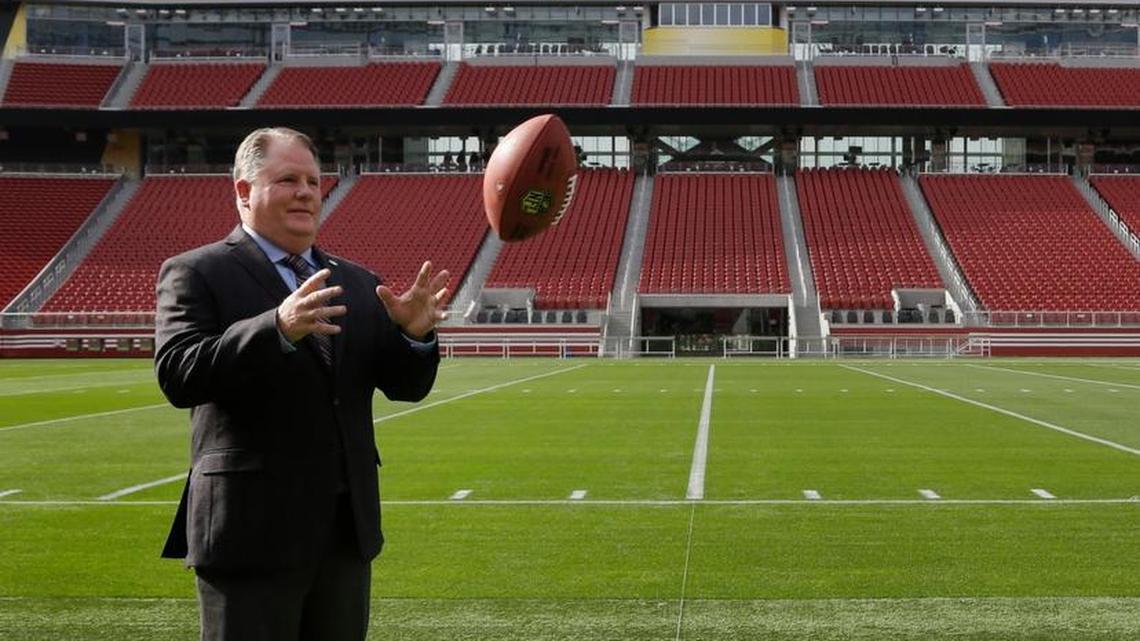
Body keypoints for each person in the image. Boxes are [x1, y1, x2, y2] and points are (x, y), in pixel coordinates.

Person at [154, 127, 449, 641]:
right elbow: (180, 373)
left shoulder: (357, 281)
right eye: (288, 179)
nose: (307, 192)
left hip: (343, 532)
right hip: (248, 534)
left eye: (314, 181)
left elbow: (404, 386)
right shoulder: (197, 272)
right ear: (244, 191)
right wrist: (277, 328)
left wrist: (414, 336)